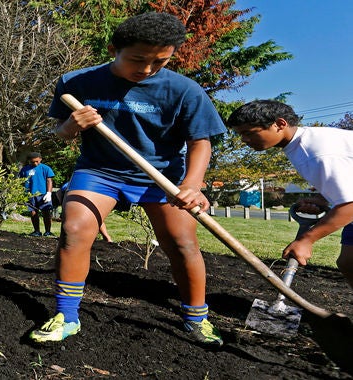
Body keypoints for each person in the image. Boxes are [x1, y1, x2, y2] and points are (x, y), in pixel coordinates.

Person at [30, 12, 226, 346]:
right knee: (74, 230)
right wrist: (71, 125)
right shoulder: (77, 83)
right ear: (113, 49)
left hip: (162, 176)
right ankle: (66, 316)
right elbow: (59, 134)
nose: (147, 68)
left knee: (182, 243)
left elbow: (200, 142)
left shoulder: (184, 91)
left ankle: (197, 318)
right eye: (138, 59)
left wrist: (192, 185)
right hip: (100, 171)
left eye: (160, 61)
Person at [227, 99, 353, 292]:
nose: (244, 140)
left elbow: (350, 205)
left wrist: (307, 240)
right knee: (348, 262)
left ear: (280, 124)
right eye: (240, 134)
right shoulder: (302, 144)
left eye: (248, 133)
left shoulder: (317, 153)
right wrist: (322, 199)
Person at [19, 152, 55, 236]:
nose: (35, 163)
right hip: (30, 195)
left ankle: (48, 231)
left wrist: (49, 193)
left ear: (40, 159)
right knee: (33, 213)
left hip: (43, 194)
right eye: (32, 162)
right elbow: (21, 182)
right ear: (29, 161)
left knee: (46, 213)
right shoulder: (25, 169)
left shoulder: (46, 168)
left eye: (37, 161)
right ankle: (37, 231)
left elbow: (49, 181)